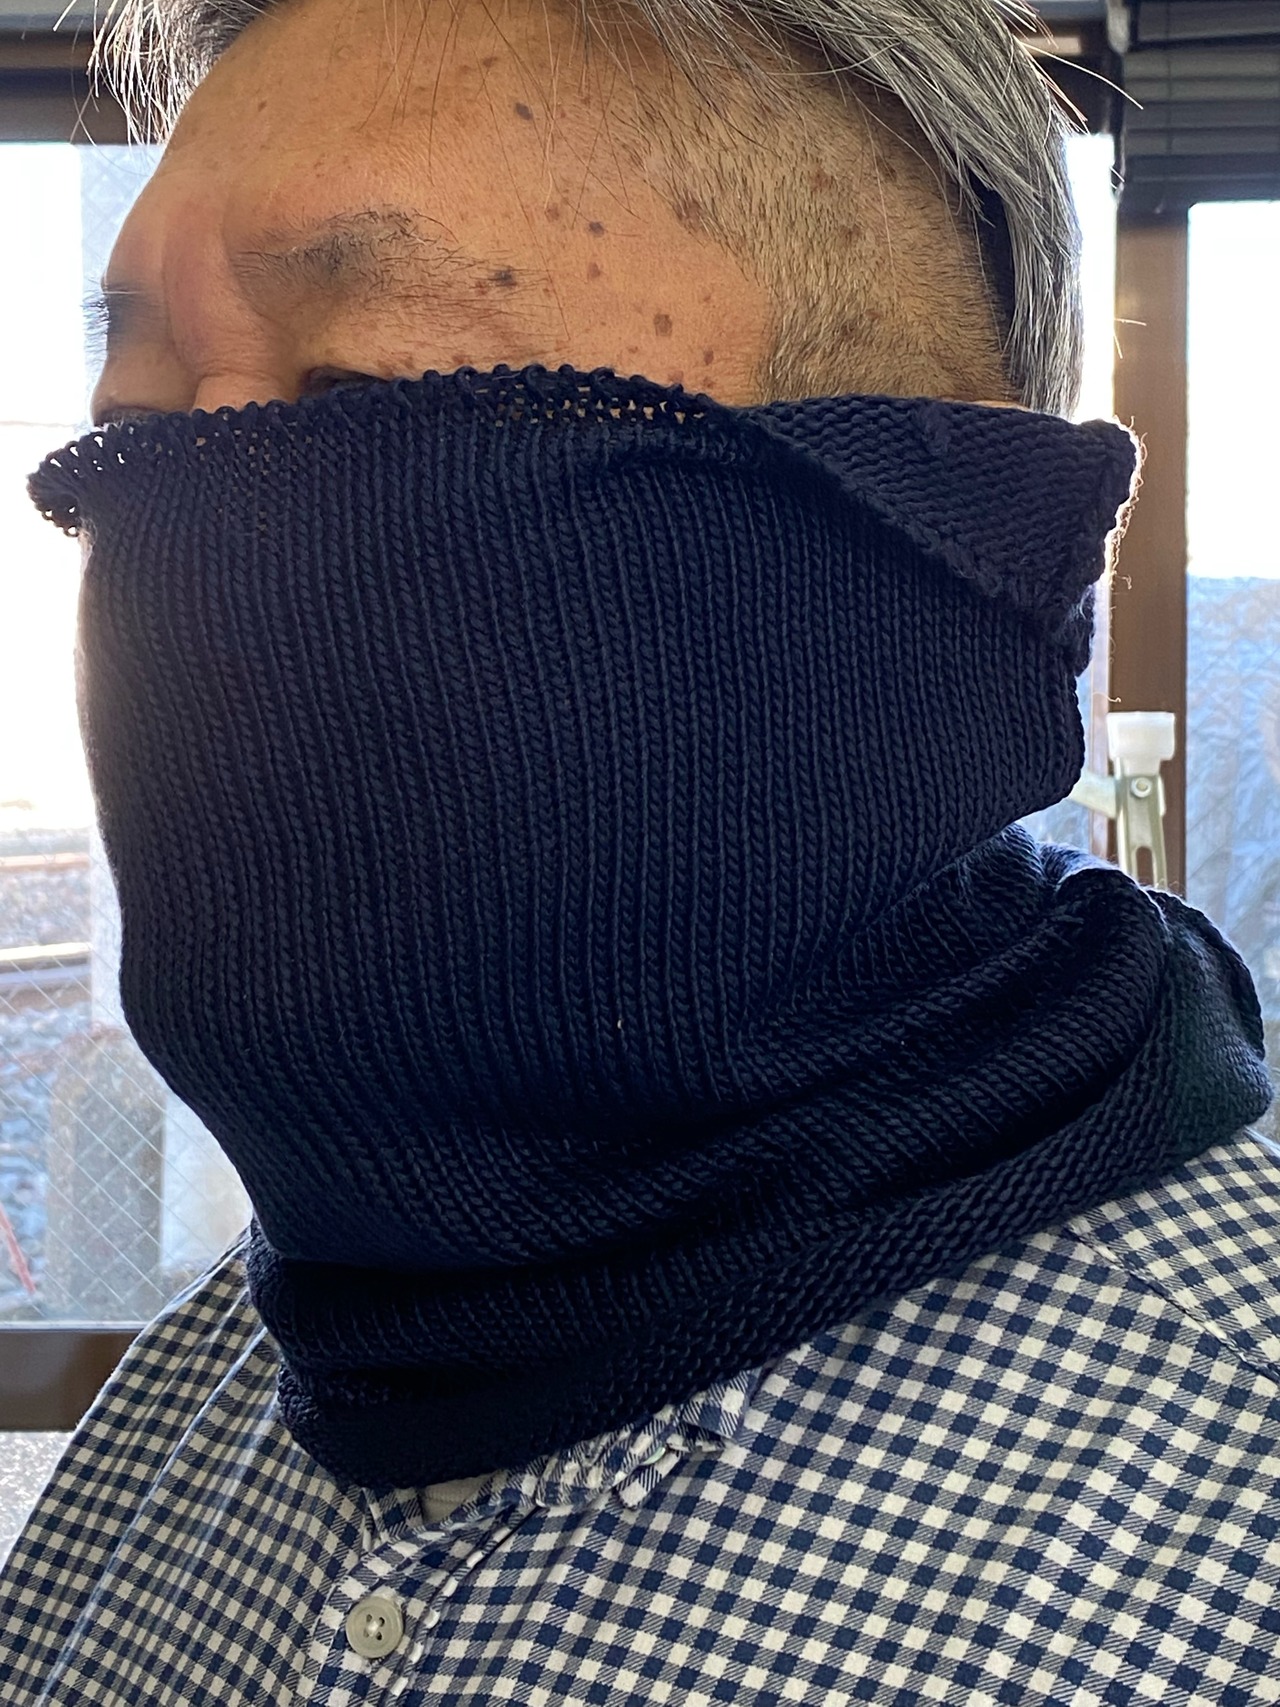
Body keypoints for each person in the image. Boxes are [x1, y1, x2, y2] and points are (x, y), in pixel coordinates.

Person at [0, 0, 1274, 1700]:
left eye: (360, 385)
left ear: (936, 516)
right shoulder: (190, 1405)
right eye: (140, 424)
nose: (190, 550)